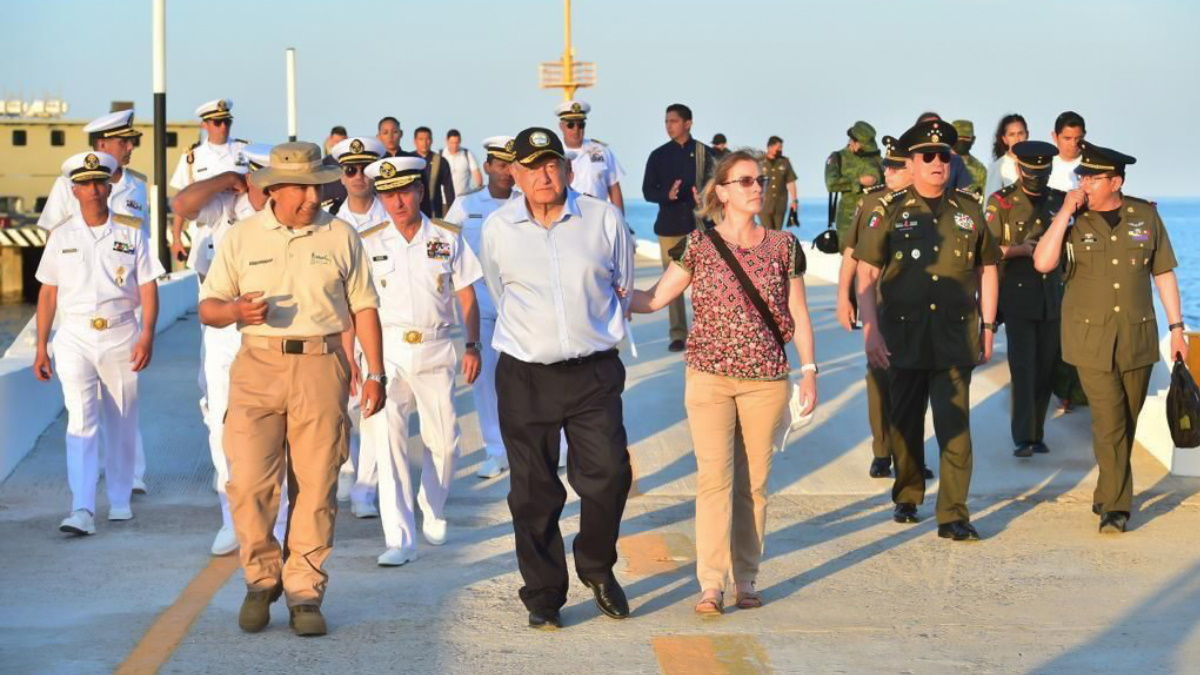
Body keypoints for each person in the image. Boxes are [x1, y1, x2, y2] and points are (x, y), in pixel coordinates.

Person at [198, 141, 386, 637]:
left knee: (317, 486)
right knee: (250, 486)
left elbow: (364, 306)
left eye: (318, 185)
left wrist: (375, 373)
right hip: (257, 366)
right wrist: (237, 312)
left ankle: (304, 592)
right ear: (274, 190)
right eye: (301, 187)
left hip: (323, 366)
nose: (312, 196)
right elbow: (209, 308)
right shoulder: (241, 238)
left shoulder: (342, 235)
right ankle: (261, 581)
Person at [629, 150, 817, 614]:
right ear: (722, 191)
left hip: (766, 381)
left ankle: (746, 577)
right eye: (746, 181)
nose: (757, 188)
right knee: (713, 481)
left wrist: (809, 370)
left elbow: (798, 312)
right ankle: (710, 583)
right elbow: (654, 299)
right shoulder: (699, 245)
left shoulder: (783, 246)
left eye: (761, 181)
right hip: (709, 379)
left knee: (753, 485)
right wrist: (599, 289)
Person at [481, 127, 635, 630]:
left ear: (567, 169)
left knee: (609, 474)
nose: (544, 175)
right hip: (526, 376)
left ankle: (596, 565)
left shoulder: (603, 220)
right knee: (532, 492)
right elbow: (502, 291)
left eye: (552, 165)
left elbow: (623, 286)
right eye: (532, 167)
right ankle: (544, 594)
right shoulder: (499, 228)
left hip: (593, 372)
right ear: (515, 175)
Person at [854, 119, 1001, 541]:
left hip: (956, 335)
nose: (937, 163)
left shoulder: (970, 210)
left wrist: (988, 324)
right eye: (927, 156)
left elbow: (987, 267)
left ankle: (953, 513)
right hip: (903, 335)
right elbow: (866, 272)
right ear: (912, 163)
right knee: (905, 422)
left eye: (943, 156)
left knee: (955, 426)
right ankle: (908, 490)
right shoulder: (889, 210)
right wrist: (871, 332)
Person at [1033, 144, 1187, 534]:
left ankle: (1106, 489)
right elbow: (1043, 262)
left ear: (1115, 181)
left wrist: (1177, 328)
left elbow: (1163, 273)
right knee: (1108, 420)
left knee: (1126, 420)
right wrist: (1066, 211)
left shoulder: (1145, 215)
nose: (1083, 182)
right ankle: (1117, 509)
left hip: (1136, 336)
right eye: (1081, 176)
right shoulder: (1071, 220)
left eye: (1092, 177)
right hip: (1090, 338)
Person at [359, 155, 483, 565]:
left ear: (418, 192)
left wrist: (473, 345)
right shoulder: (368, 240)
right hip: (386, 351)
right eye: (387, 194)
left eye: (404, 193)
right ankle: (399, 538)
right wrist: (355, 362)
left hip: (435, 347)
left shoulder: (447, 237)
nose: (396, 203)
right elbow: (356, 306)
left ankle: (432, 505)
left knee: (445, 442)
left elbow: (466, 294)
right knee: (388, 444)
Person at [33, 151, 164, 535]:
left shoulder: (130, 231)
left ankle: (120, 499)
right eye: (85, 184)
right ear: (73, 190)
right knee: (81, 419)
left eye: (99, 182)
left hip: (121, 332)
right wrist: (41, 346)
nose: (93, 190)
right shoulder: (61, 235)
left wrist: (148, 334)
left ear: (109, 186)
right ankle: (82, 508)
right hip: (73, 335)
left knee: (122, 419)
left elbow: (148, 285)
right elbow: (47, 294)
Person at [172, 144, 290, 555]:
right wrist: (225, 179)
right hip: (224, 326)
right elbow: (182, 204)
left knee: (279, 425)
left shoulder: (288, 218)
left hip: (271, 327)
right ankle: (232, 519)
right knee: (221, 422)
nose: (265, 191)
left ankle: (281, 520)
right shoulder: (224, 206)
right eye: (257, 181)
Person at [836, 135, 913, 479]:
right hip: (878, 304)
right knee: (880, 380)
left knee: (913, 383)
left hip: (917, 308)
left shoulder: (928, 204)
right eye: (888, 165)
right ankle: (882, 451)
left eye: (897, 166)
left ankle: (910, 454)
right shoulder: (872, 203)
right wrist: (843, 298)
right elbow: (852, 253)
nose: (889, 171)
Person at [985, 141, 1066, 458]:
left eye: (1043, 171)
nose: (1037, 177)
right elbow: (987, 250)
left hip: (1052, 296)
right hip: (1018, 294)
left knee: (1046, 367)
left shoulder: (1058, 202)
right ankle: (1022, 436)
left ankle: (1037, 432)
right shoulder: (1001, 203)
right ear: (1019, 169)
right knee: (1023, 366)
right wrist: (1021, 250)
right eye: (1032, 171)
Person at [325, 136, 391, 517]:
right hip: (341, 324)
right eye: (350, 170)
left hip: (386, 323)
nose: (358, 177)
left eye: (366, 169)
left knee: (376, 407)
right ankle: (348, 468)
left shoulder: (393, 215)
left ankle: (367, 485)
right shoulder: (330, 218)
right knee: (344, 405)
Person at [444, 136, 517, 479]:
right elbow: (442, 247)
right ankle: (495, 449)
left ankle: (552, 446)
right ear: (487, 167)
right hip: (481, 306)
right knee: (485, 381)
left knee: (534, 380)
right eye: (500, 165)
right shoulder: (465, 205)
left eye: (512, 165)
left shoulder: (527, 202)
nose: (506, 172)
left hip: (521, 307)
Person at [642, 103, 714, 352]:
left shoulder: (707, 154)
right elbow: (647, 191)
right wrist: (668, 195)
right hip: (670, 228)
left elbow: (719, 189)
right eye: (666, 121)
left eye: (673, 121)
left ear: (688, 123)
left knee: (705, 283)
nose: (669, 126)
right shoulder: (658, 155)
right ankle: (678, 334)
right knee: (671, 285)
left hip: (701, 227)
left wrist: (704, 199)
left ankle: (707, 332)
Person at [169, 99, 250, 267]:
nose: (223, 127)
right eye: (218, 122)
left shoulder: (245, 150)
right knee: (207, 288)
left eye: (227, 122)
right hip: (205, 232)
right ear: (204, 125)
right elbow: (180, 202)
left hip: (240, 228)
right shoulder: (192, 157)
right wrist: (177, 239)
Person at [556, 100, 626, 212]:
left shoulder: (600, 150)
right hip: (567, 215)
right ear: (561, 126)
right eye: (570, 125)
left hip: (598, 216)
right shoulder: (555, 151)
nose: (576, 129)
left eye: (580, 125)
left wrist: (621, 219)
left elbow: (614, 188)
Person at [825, 121, 883, 247]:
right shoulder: (838, 157)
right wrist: (859, 182)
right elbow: (831, 184)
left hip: (875, 218)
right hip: (849, 220)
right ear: (854, 141)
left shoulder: (876, 158)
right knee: (849, 259)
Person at [983, 113, 1029, 199]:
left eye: (1020, 133)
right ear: (1005, 139)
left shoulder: (1037, 162)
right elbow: (990, 201)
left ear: (1027, 135)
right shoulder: (998, 166)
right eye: (1012, 134)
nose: (1017, 139)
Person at [759, 136, 798, 231]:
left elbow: (791, 181)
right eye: (778, 147)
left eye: (781, 147)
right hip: (764, 203)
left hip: (780, 203)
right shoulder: (759, 162)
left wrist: (794, 200)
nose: (780, 150)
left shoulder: (784, 162)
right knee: (767, 230)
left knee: (777, 231)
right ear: (770, 147)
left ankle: (776, 245)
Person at [1049, 111, 1086, 192]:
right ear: (1055, 136)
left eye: (1078, 138)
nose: (1073, 144)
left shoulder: (1093, 164)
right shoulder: (1044, 163)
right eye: (1067, 138)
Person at [951, 120, 988, 199]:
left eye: (966, 137)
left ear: (973, 140)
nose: (962, 140)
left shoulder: (979, 169)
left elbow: (984, 199)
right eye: (958, 137)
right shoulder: (939, 161)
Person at [441, 129, 482, 198]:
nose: (454, 145)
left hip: (464, 199)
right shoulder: (440, 155)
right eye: (452, 143)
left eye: (457, 143)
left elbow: (476, 173)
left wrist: (479, 189)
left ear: (460, 141)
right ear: (446, 141)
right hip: (444, 200)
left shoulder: (467, 154)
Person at [320, 126, 350, 202]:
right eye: (336, 142)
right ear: (330, 139)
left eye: (341, 142)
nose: (338, 145)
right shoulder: (324, 163)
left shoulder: (351, 162)